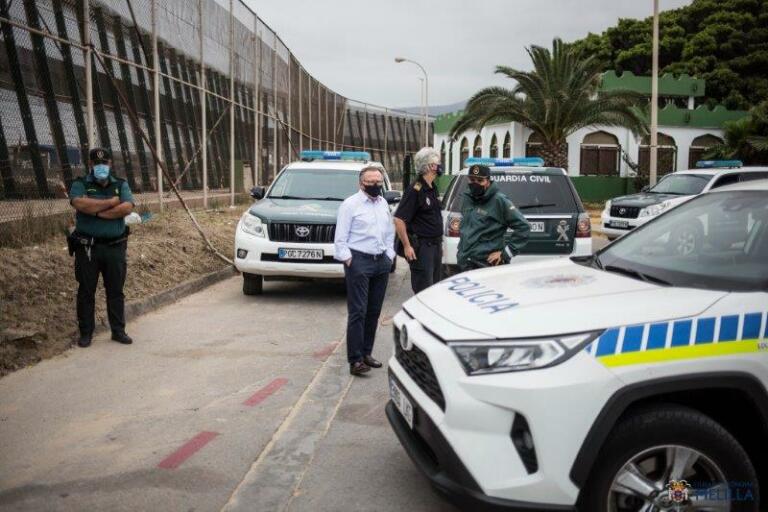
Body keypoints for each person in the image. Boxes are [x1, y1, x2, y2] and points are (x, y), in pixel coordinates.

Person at [68, 147, 135, 348]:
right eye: (96, 163)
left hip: (115, 247)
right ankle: (86, 333)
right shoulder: (80, 184)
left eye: (104, 163)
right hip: (87, 248)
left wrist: (96, 212)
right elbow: (80, 204)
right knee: (86, 291)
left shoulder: (120, 184)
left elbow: (126, 207)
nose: (101, 166)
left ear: (110, 164)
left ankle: (118, 331)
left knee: (116, 291)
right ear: (90, 165)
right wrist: (111, 202)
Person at [334, 165, 396, 375]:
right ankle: (355, 360)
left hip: (381, 262)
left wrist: (389, 255)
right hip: (359, 261)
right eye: (370, 182)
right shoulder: (350, 205)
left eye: (378, 182)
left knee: (374, 311)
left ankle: (367, 353)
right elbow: (340, 238)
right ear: (361, 183)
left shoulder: (383, 203)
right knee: (358, 312)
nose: (375, 185)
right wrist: (349, 259)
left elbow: (389, 232)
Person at [457, 164, 531, 271]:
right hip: (466, 262)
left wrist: (505, 254)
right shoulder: (467, 198)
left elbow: (524, 227)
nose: (475, 184)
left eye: (480, 180)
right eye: (472, 180)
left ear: (488, 181)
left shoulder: (499, 200)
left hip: (486, 265)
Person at [394, 147, 444, 294]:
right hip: (422, 248)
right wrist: (407, 246)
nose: (440, 166)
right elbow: (399, 219)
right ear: (429, 166)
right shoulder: (415, 190)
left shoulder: (432, 187)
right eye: (437, 163)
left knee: (434, 289)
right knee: (424, 291)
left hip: (435, 246)